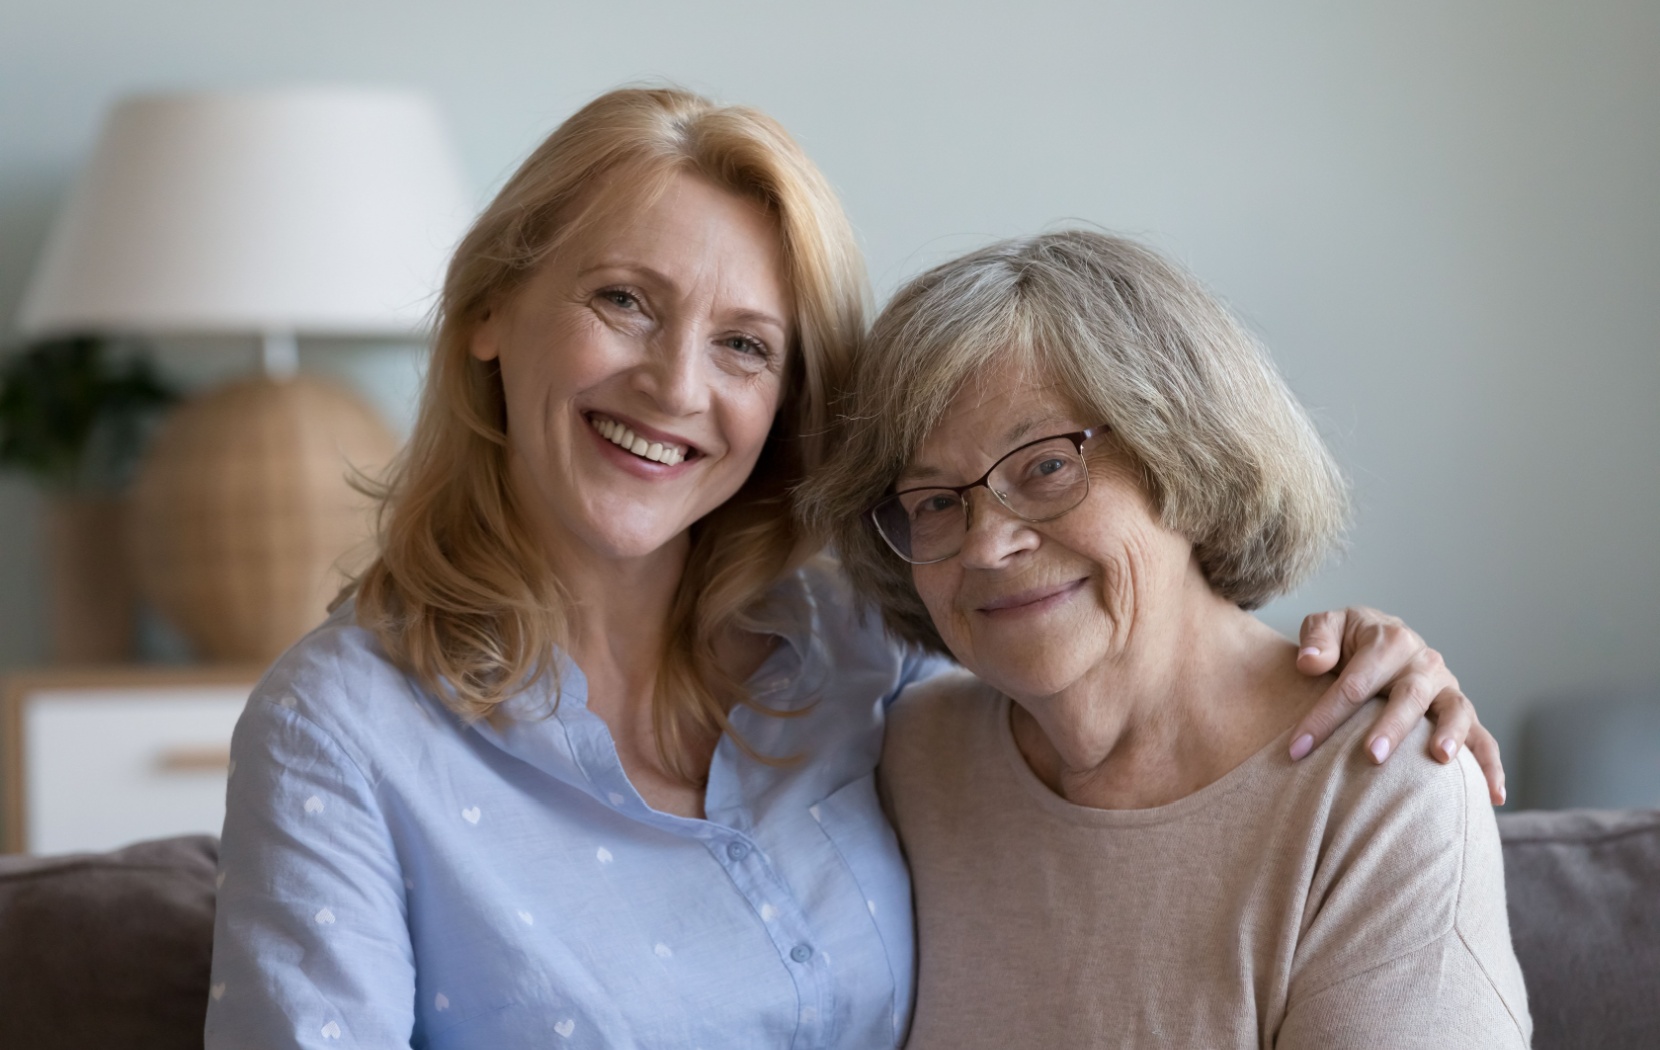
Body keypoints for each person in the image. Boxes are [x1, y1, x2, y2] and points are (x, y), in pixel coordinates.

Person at [206, 89, 1502, 1049]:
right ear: (490, 310)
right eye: (623, 301)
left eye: (746, 345)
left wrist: (1372, 663)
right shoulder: (341, 729)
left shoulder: (854, 667)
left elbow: (1135, 659)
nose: (674, 385)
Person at [801, 229, 1530, 1048]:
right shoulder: (908, 760)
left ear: (1182, 452)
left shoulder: (1383, 785)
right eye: (934, 500)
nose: (985, 544)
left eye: (1045, 466)